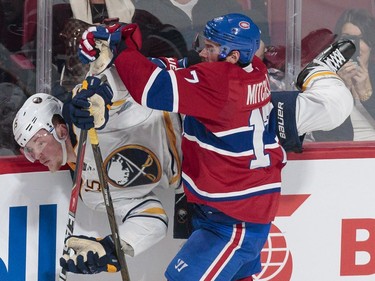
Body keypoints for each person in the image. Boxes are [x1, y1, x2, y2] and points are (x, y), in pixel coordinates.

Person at [77, 13, 354, 279]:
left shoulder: (219, 85)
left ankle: (319, 72)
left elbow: (150, 86)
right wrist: (120, 54)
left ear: (232, 56)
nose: (202, 52)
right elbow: (182, 67)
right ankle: (320, 75)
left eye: (210, 47)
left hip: (234, 217)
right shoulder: (251, 68)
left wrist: (122, 45)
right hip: (235, 201)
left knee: (331, 108)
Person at [12, 64, 183, 273]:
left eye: (38, 143)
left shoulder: (88, 111)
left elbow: (126, 76)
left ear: (60, 129)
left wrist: (98, 89)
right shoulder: (90, 193)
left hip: (196, 121)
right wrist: (112, 248)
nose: (37, 156)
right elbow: (152, 217)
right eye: (29, 151)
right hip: (200, 175)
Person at [311, 8, 375, 142]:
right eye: (347, 38)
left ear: (371, 44)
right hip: (342, 158)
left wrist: (366, 95)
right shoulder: (323, 79)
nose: (353, 46)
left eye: (361, 39)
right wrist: (341, 89)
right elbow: (331, 140)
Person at [133, 0, 270, 49]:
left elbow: (253, 30)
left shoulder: (222, 3)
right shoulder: (145, 8)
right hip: (172, 82)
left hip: (220, 80)